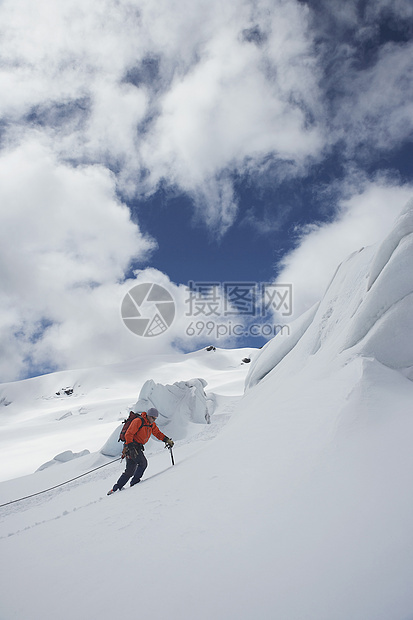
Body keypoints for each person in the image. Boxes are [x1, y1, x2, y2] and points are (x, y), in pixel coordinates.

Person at [107, 407, 174, 495]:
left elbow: (157, 433)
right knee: (143, 463)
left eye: (155, 419)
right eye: (153, 418)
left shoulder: (151, 424)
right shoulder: (138, 421)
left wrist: (166, 440)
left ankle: (115, 489)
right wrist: (130, 448)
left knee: (130, 470)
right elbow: (129, 434)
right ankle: (134, 483)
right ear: (149, 416)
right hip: (131, 446)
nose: (154, 420)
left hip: (136, 447)